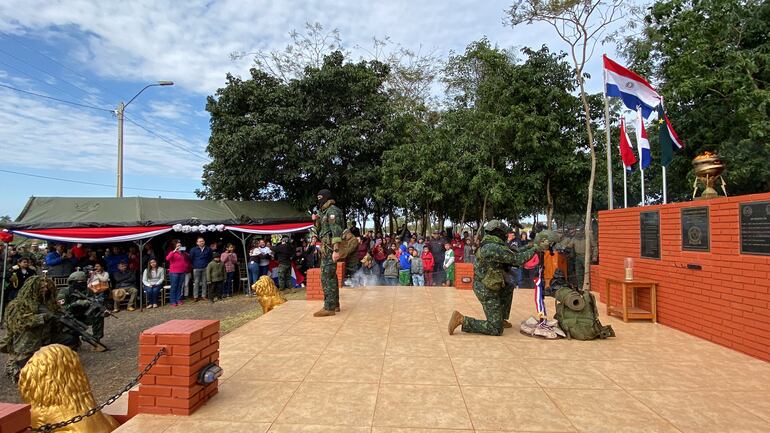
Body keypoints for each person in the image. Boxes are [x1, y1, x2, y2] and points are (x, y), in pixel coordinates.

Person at [448, 220, 541, 336]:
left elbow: (512, 252)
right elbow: (517, 259)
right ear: (498, 233)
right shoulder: (493, 247)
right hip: (486, 289)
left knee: (508, 286)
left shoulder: (491, 244)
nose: (505, 236)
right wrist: (536, 249)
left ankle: (500, 318)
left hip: (490, 283)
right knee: (496, 329)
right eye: (504, 233)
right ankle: (462, 320)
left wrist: (530, 245)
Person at [1, 276, 78, 382]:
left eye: (47, 287)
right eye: (42, 288)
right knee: (26, 373)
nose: (45, 290)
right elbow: (21, 322)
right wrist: (43, 317)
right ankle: (14, 364)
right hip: (27, 343)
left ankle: (53, 360)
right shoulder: (18, 304)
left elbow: (57, 320)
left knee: (70, 339)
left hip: (46, 338)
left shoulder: (49, 304)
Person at [312, 189, 343, 317]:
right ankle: (334, 304)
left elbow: (336, 231)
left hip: (331, 249)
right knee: (331, 276)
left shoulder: (332, 211)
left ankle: (329, 307)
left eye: (321, 198)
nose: (319, 200)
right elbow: (320, 229)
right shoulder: (324, 212)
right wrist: (316, 220)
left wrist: (336, 250)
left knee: (326, 277)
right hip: (326, 248)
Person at [57, 271, 106, 350]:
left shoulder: (87, 291)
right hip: (70, 318)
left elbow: (93, 301)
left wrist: (96, 306)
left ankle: (96, 340)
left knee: (98, 315)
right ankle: (74, 340)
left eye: (84, 282)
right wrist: (75, 304)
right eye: (79, 282)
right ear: (72, 282)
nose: (82, 284)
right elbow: (60, 309)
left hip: (84, 315)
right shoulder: (64, 292)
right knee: (71, 339)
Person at [165, 241, 188, 307]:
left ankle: (178, 299)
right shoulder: (172, 252)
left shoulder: (183, 253)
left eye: (180, 245)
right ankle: (173, 301)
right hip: (174, 272)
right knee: (174, 287)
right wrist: (174, 251)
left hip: (182, 272)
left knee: (179, 286)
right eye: (178, 245)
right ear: (175, 246)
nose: (179, 247)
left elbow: (188, 258)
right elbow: (167, 258)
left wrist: (185, 251)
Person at [189, 237, 212, 301]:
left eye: (203, 241)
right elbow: (190, 258)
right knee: (196, 282)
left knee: (204, 282)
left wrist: (207, 265)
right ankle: (195, 296)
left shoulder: (208, 249)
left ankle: (203, 296)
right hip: (196, 268)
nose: (202, 242)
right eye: (200, 241)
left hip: (205, 267)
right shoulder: (193, 249)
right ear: (197, 243)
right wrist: (194, 265)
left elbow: (210, 258)